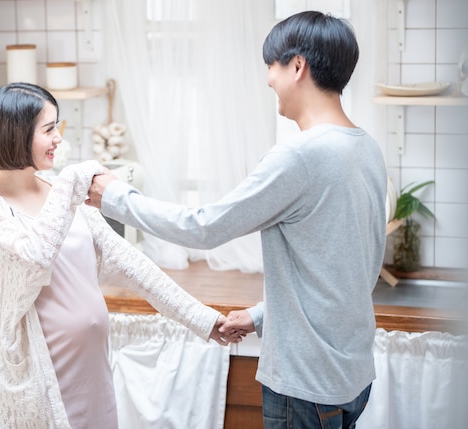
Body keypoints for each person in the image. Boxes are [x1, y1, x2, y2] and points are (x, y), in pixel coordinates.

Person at [87, 11, 387, 429]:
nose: (268, 79)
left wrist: (114, 197)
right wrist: (264, 315)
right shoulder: (366, 148)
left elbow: (204, 227)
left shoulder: (299, 156)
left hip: (306, 385)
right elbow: (350, 274)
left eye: (272, 65)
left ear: (297, 66)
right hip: (352, 379)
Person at [0, 82, 237, 429]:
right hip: (42, 372)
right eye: (48, 130)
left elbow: (132, 264)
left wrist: (204, 320)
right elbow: (36, 256)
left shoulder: (64, 195)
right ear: (15, 135)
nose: (58, 138)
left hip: (90, 367)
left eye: (57, 127)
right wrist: (68, 181)